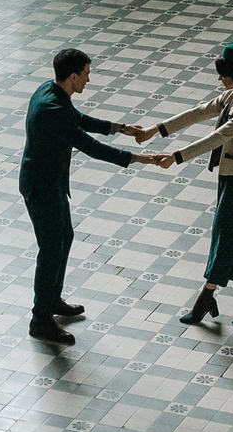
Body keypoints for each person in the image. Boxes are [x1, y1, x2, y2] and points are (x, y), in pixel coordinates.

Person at [19, 48, 158, 346]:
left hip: (51, 183)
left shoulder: (50, 91)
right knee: (51, 249)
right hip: (41, 187)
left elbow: (77, 118)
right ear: (72, 77)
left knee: (64, 238)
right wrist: (138, 158)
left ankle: (52, 299)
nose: (89, 79)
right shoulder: (51, 109)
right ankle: (40, 318)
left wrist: (119, 128)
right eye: (86, 74)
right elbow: (89, 145)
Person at [155, 41, 233, 330]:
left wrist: (177, 157)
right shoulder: (232, 95)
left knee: (224, 237)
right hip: (230, 176)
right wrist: (155, 130)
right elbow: (199, 112)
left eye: (223, 73)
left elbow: (217, 137)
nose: (220, 78)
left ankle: (205, 298)